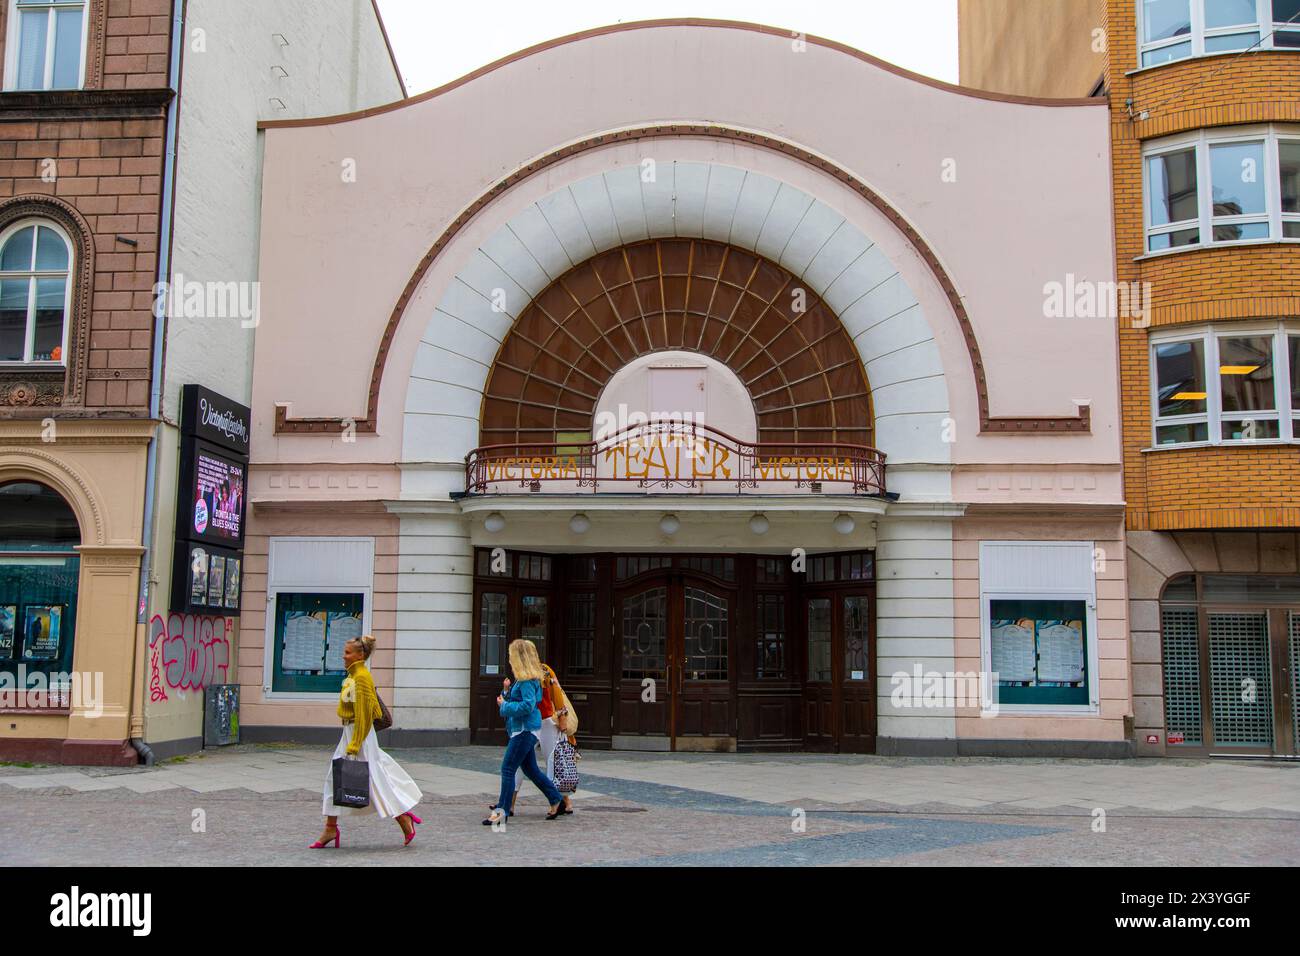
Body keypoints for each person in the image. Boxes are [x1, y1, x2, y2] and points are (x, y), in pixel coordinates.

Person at [311, 635, 424, 848]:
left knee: (372, 780)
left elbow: (364, 716)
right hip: (351, 733)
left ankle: (403, 818)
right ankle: (331, 828)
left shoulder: (362, 677)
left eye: (347, 652)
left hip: (359, 735)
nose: (343, 656)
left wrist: (354, 745)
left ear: (360, 655)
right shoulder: (353, 676)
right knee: (344, 778)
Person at [482, 639, 565, 827]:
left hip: (524, 730)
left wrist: (505, 705)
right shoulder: (526, 678)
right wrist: (505, 694)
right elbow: (526, 701)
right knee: (530, 769)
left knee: (508, 769)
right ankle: (555, 798)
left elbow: (528, 706)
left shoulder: (526, 680)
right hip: (526, 728)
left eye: (512, 655)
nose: (510, 659)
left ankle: (501, 813)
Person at [499, 661, 576, 815]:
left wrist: (562, 719)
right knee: (528, 768)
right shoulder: (523, 674)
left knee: (552, 760)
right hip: (530, 724)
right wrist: (506, 691)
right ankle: (512, 803)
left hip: (545, 722)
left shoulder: (543, 671)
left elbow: (556, 694)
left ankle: (564, 800)